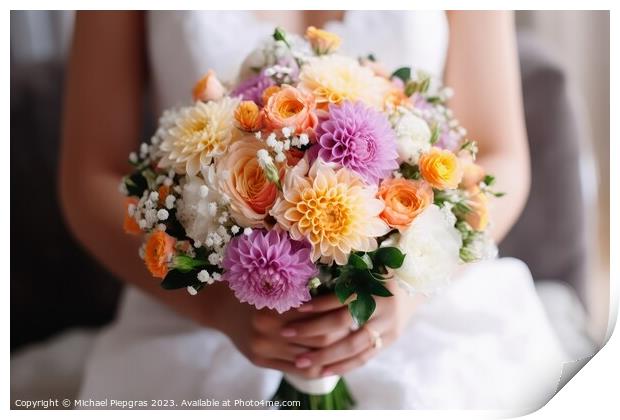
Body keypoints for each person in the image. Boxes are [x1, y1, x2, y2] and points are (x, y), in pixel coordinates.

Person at [60, 10, 567, 409]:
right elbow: (90, 177)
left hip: (425, 311)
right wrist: (214, 308)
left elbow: (500, 157)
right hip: (201, 315)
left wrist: (408, 291)